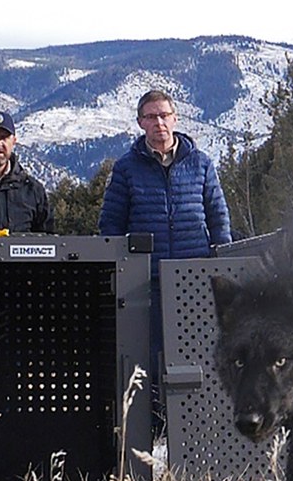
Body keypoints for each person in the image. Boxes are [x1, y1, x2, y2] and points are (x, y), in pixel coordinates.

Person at [98, 89, 232, 433]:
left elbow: (218, 217)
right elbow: (111, 225)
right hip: (149, 280)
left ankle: (201, 424)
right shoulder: (127, 169)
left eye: (164, 115)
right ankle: (156, 427)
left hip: (196, 277)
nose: (158, 123)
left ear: (175, 118)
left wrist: (222, 264)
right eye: (150, 117)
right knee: (153, 355)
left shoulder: (201, 163)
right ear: (140, 123)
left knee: (201, 352)